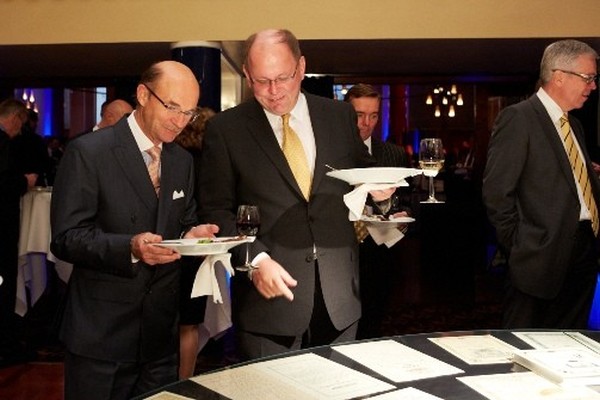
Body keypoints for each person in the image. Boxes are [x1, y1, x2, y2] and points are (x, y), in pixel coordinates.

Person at [197, 29, 393, 361]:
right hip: (268, 305)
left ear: (301, 68)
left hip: (340, 300)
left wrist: (382, 195)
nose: (273, 92)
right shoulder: (226, 130)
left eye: (282, 78)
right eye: (261, 81)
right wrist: (255, 260)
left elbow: (365, 175)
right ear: (246, 74)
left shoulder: (339, 116)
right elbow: (216, 211)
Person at [50, 61, 219, 399]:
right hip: (102, 335)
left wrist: (191, 236)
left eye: (189, 113)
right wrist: (130, 247)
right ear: (143, 95)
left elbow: (181, 222)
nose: (180, 121)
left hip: (160, 335)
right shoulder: (89, 152)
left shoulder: (182, 161)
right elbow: (67, 238)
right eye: (172, 107)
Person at [482, 39, 600, 329]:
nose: (593, 86)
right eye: (588, 77)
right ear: (559, 76)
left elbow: (566, 181)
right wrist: (521, 247)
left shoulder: (574, 125)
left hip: (584, 252)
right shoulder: (518, 118)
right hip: (538, 259)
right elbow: (497, 193)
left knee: (571, 342)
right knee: (527, 344)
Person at [343, 83, 412, 339]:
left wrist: (400, 216)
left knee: (372, 328)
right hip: (338, 251)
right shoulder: (329, 154)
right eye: (359, 115)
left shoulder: (393, 154)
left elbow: (406, 202)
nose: (367, 123)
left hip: (379, 254)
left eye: (373, 116)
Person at [173, 107, 216, 379]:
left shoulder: (173, 159)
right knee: (189, 324)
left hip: (172, 243)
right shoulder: (212, 162)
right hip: (197, 247)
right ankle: (184, 381)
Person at [0, 99, 38, 366]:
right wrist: (25, 181)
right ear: (14, 118)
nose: (20, 130)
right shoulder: (2, 142)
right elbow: (4, 182)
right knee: (3, 285)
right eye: (21, 124)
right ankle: (6, 348)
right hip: (2, 228)